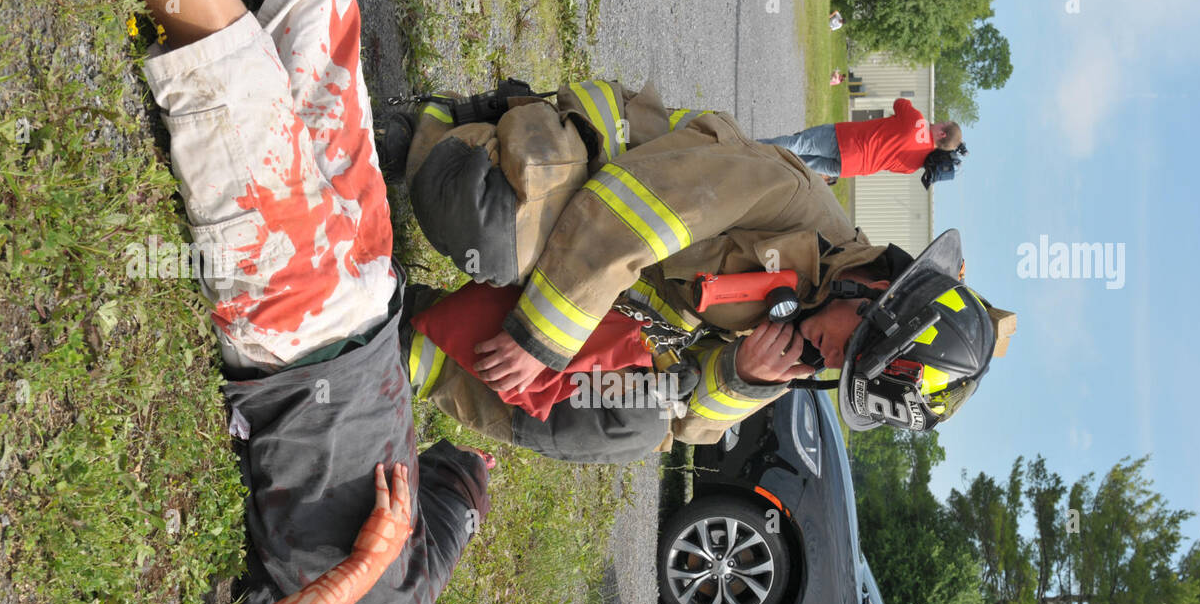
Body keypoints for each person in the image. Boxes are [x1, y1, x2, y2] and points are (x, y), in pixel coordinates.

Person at [132, 0, 492, 604]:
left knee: (229, 75)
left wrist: (360, 569)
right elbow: (455, 488)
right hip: (369, 288)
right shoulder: (415, 602)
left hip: (287, 321)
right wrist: (472, 481)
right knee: (317, 2)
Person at [374, 80, 1006, 463]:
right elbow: (630, 210)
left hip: (606, 291)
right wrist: (541, 336)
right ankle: (444, 135)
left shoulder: (805, 347)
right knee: (486, 223)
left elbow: (684, 420)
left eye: (849, 371)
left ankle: (414, 339)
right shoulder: (794, 202)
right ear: (873, 290)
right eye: (855, 344)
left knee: (634, 419)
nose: (835, 359)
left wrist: (741, 376)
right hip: (591, 189)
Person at [759, 98, 963, 181]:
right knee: (796, 162)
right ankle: (755, 162)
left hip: (846, 141)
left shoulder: (917, 122)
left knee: (798, 143)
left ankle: (751, 148)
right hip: (850, 168)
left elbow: (900, 103)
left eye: (942, 123)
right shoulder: (916, 165)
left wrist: (923, 122)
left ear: (942, 134)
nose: (938, 122)